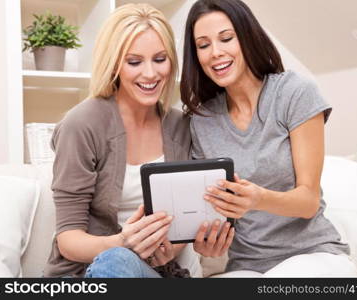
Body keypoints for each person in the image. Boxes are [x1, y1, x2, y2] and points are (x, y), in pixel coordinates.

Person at [43, 3, 231, 278]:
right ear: (115, 63)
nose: (150, 74)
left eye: (159, 59)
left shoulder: (181, 126)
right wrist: (123, 243)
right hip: (89, 272)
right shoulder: (81, 124)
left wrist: (169, 248)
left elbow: (181, 224)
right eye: (134, 62)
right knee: (117, 260)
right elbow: (68, 240)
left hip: (158, 273)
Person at [180, 0, 357, 277]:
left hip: (313, 254)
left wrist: (258, 198)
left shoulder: (294, 93)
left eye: (226, 39)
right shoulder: (202, 121)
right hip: (247, 266)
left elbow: (308, 200)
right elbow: (212, 213)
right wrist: (208, 241)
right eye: (203, 45)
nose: (215, 53)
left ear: (248, 36)